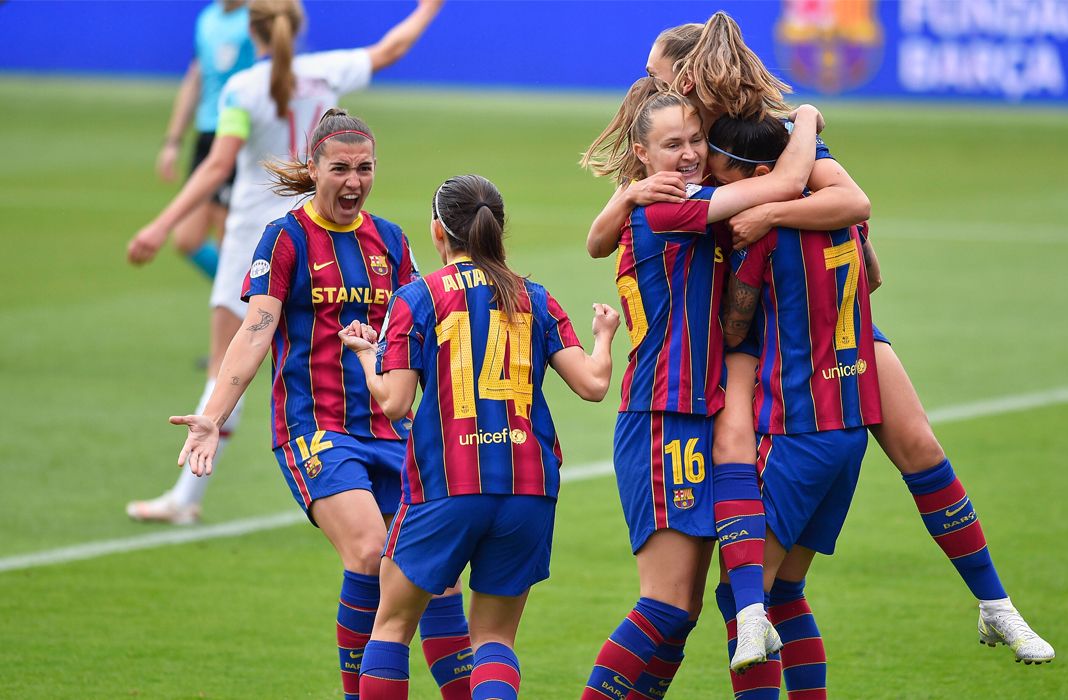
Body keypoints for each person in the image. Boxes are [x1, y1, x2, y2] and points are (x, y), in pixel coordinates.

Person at [591, 10, 1054, 668]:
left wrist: (774, 204)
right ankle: (752, 612)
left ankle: (995, 604)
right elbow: (609, 235)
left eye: (657, 74)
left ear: (693, 74)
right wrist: (625, 202)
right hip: (755, 328)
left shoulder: (767, 136)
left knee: (917, 441)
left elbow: (853, 206)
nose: (649, 87)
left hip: (821, 316)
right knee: (735, 448)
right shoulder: (682, 152)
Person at [169, 110, 474, 700]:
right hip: (317, 430)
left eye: (364, 168)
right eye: (340, 169)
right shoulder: (284, 238)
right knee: (368, 552)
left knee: (435, 577)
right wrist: (215, 414)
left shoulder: (390, 240)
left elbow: (414, 330)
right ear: (314, 169)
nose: (353, 181)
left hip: (393, 428)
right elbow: (255, 331)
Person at [125, 0, 445, 526]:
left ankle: (188, 493)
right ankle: (354, 459)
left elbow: (218, 166)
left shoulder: (241, 88)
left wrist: (162, 224)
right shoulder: (325, 72)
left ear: (249, 32)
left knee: (234, 349)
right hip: (330, 227)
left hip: (260, 231)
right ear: (298, 29)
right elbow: (392, 48)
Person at [578, 81, 823, 699]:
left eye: (695, 140)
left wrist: (625, 196)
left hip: (700, 410)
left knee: (687, 614)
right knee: (665, 606)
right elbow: (786, 185)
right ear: (641, 153)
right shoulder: (669, 207)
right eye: (671, 145)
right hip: (664, 412)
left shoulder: (684, 198)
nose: (688, 154)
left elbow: (597, 239)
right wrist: (807, 122)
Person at [336, 174, 620, 700]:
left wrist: (363, 356)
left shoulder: (418, 297)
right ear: (498, 230)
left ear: (438, 232)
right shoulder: (534, 296)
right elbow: (593, 384)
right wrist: (603, 336)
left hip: (449, 483)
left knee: (391, 625)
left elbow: (395, 403)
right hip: (528, 486)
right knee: (493, 639)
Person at [710, 113, 882, 699]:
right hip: (852, 422)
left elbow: (735, 329)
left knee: (741, 594)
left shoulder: (765, 231)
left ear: (761, 174)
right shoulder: (841, 216)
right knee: (784, 592)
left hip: (796, 425)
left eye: (722, 164)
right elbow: (875, 277)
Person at [127, 0, 255, 278]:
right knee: (186, 238)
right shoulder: (208, 18)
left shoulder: (258, 17)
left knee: (230, 244)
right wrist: (173, 141)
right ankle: (249, 298)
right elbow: (195, 78)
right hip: (207, 135)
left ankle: (248, 307)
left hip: (238, 136)